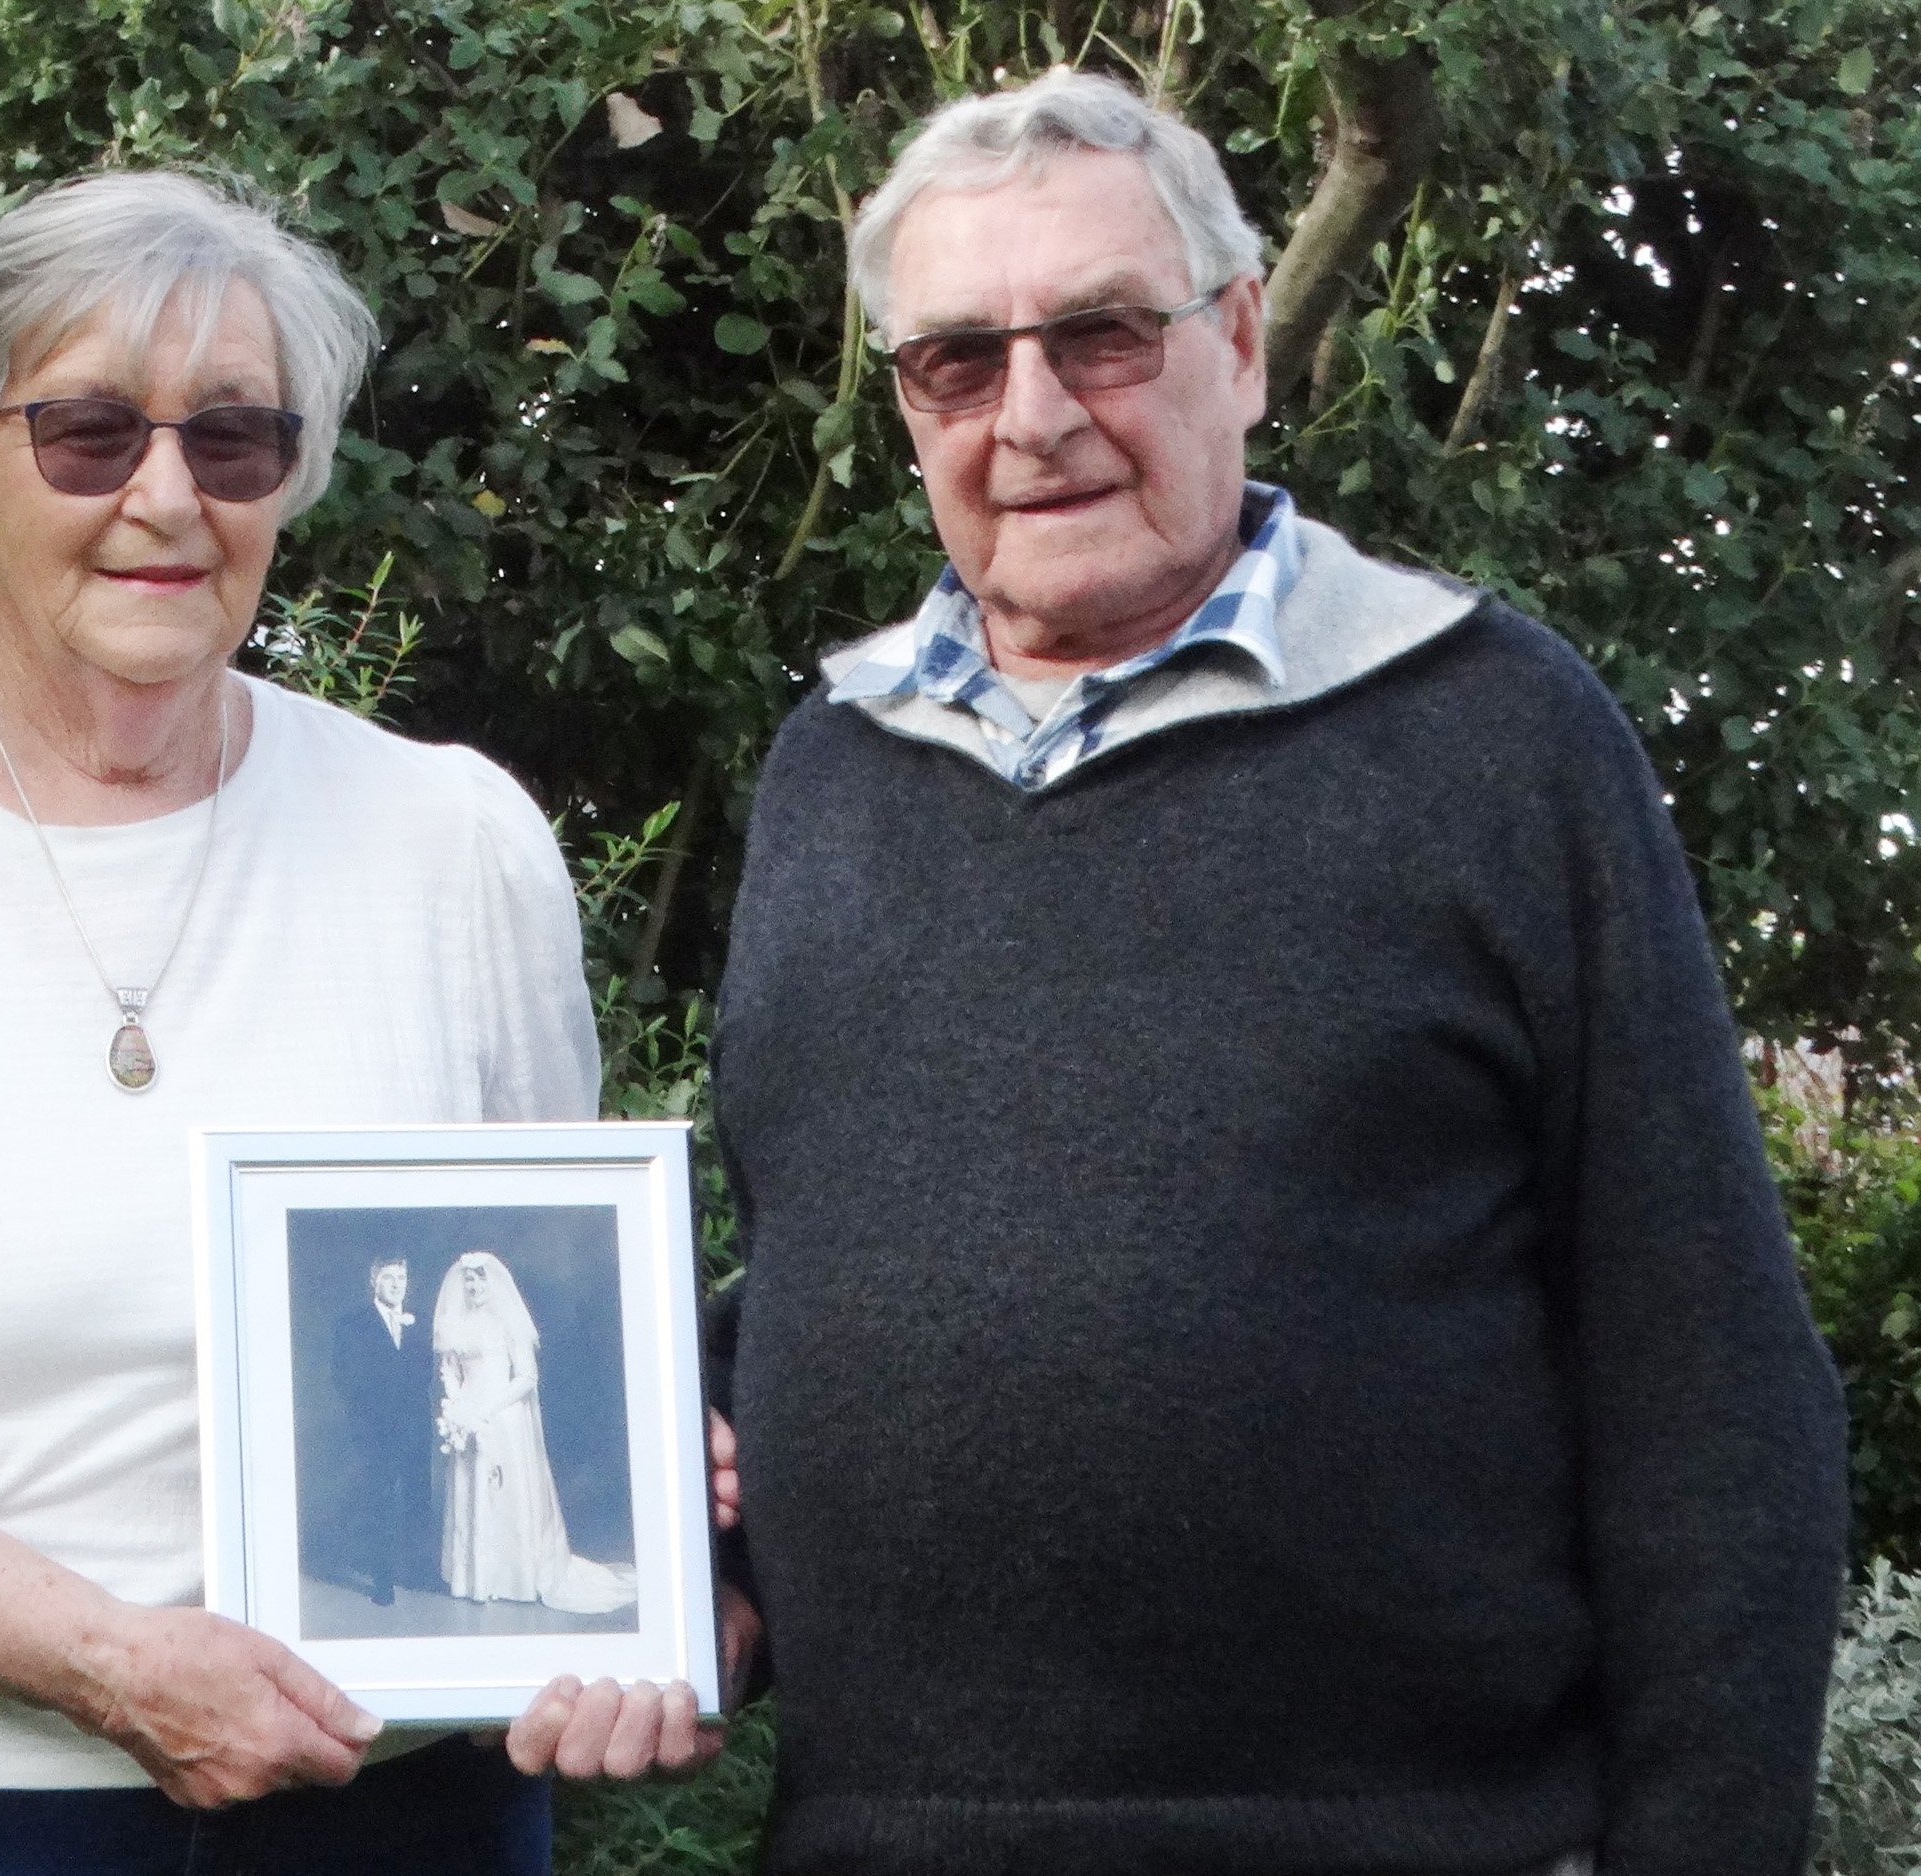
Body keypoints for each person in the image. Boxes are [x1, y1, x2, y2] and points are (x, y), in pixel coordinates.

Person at [705, 69, 1848, 1876]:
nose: (1029, 418)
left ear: (1235, 339)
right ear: (906, 403)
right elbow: (836, 1287)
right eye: (954, 361)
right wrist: (684, 1520)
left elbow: (1705, 1383)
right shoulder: (831, 772)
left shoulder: (1491, 735)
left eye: (1097, 336)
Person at [0, 167, 717, 1876]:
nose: (166, 498)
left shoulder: (453, 841)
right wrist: (115, 1666)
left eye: (233, 440)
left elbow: (549, 1300)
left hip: (386, 1803)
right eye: (90, 435)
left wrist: (639, 1514)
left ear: (288, 484)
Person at [434, 1252, 636, 1614]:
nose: (474, 1286)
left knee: (505, 1492)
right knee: (473, 1489)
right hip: (469, 1413)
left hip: (506, 1416)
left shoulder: (509, 1323)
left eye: (481, 1279)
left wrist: (488, 1408)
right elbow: (449, 1369)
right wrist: (459, 1404)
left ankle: (514, 1576)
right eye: (469, 1280)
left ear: (493, 1283)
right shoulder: (455, 1324)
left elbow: (526, 1376)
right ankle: (476, 1577)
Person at [328, 1257, 433, 1606]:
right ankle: (382, 1581)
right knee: (380, 1504)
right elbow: (344, 1378)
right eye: (389, 1277)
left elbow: (426, 1376)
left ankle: (419, 1574)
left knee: (418, 1500)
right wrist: (373, 1414)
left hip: (415, 1430)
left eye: (402, 1277)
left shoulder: (420, 1324)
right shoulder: (353, 1325)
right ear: (374, 1282)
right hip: (375, 1433)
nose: (396, 1284)